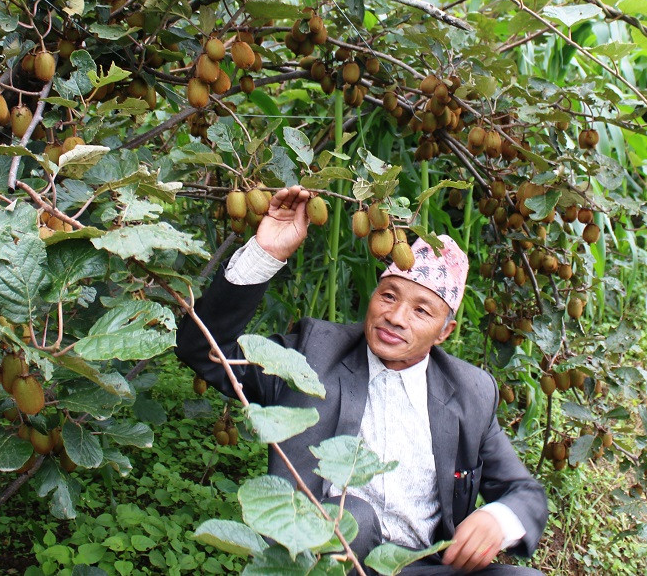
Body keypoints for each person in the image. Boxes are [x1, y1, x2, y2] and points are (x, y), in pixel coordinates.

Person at [177, 186, 547, 574]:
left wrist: (499, 519)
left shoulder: (470, 391)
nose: (396, 317)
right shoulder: (313, 355)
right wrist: (266, 252)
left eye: (421, 310)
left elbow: (524, 493)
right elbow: (203, 350)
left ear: (444, 331)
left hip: (424, 566)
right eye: (388, 296)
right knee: (352, 516)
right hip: (328, 559)